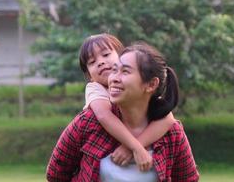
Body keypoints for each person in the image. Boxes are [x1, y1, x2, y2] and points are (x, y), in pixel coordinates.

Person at [46, 42, 199, 181]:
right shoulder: (88, 121)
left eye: (125, 71)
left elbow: (188, 179)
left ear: (151, 84)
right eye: (114, 70)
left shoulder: (171, 132)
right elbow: (56, 174)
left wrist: (133, 146)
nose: (114, 78)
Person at [78, 34, 175, 170]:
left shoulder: (141, 89)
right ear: (89, 75)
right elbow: (104, 116)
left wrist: (133, 147)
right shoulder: (95, 88)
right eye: (92, 62)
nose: (100, 62)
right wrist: (136, 147)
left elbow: (167, 118)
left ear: (122, 57)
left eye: (105, 55)